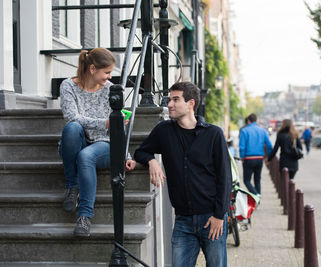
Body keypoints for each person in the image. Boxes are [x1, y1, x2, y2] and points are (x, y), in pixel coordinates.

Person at [134, 82, 232, 267]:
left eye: (175, 99)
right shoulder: (164, 131)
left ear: (190, 103)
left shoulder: (213, 134)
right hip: (183, 221)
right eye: (170, 99)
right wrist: (152, 161)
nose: (169, 104)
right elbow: (141, 152)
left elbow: (225, 178)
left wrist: (220, 215)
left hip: (212, 218)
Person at [59, 48, 136, 237]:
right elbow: (71, 116)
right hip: (78, 138)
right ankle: (72, 185)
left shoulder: (111, 90)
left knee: (86, 157)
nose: (109, 77)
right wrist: (105, 122)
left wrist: (125, 154)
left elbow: (119, 126)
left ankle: (84, 216)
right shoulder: (68, 86)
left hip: (104, 142)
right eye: (107, 72)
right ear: (92, 69)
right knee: (71, 128)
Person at [239, 113, 273, 196]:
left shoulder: (244, 131)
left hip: (248, 159)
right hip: (259, 159)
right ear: (256, 120)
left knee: (247, 180)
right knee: (257, 179)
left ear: (248, 121)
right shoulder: (263, 131)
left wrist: (242, 157)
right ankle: (258, 196)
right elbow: (269, 145)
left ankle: (255, 195)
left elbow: (242, 147)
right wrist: (268, 158)